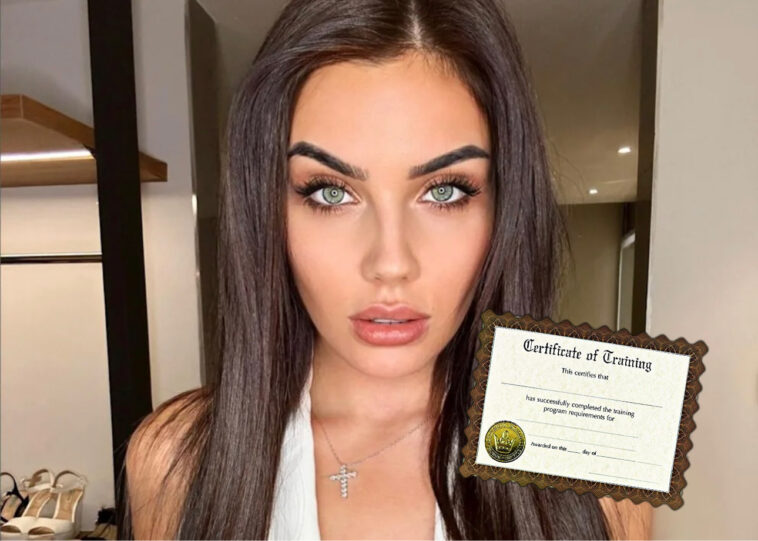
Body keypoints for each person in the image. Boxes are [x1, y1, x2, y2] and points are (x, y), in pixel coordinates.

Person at [120, 0, 653, 538]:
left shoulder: (596, 447)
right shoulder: (177, 456)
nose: (391, 263)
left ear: (506, 205)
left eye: (445, 192)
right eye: (330, 193)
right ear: (267, 208)